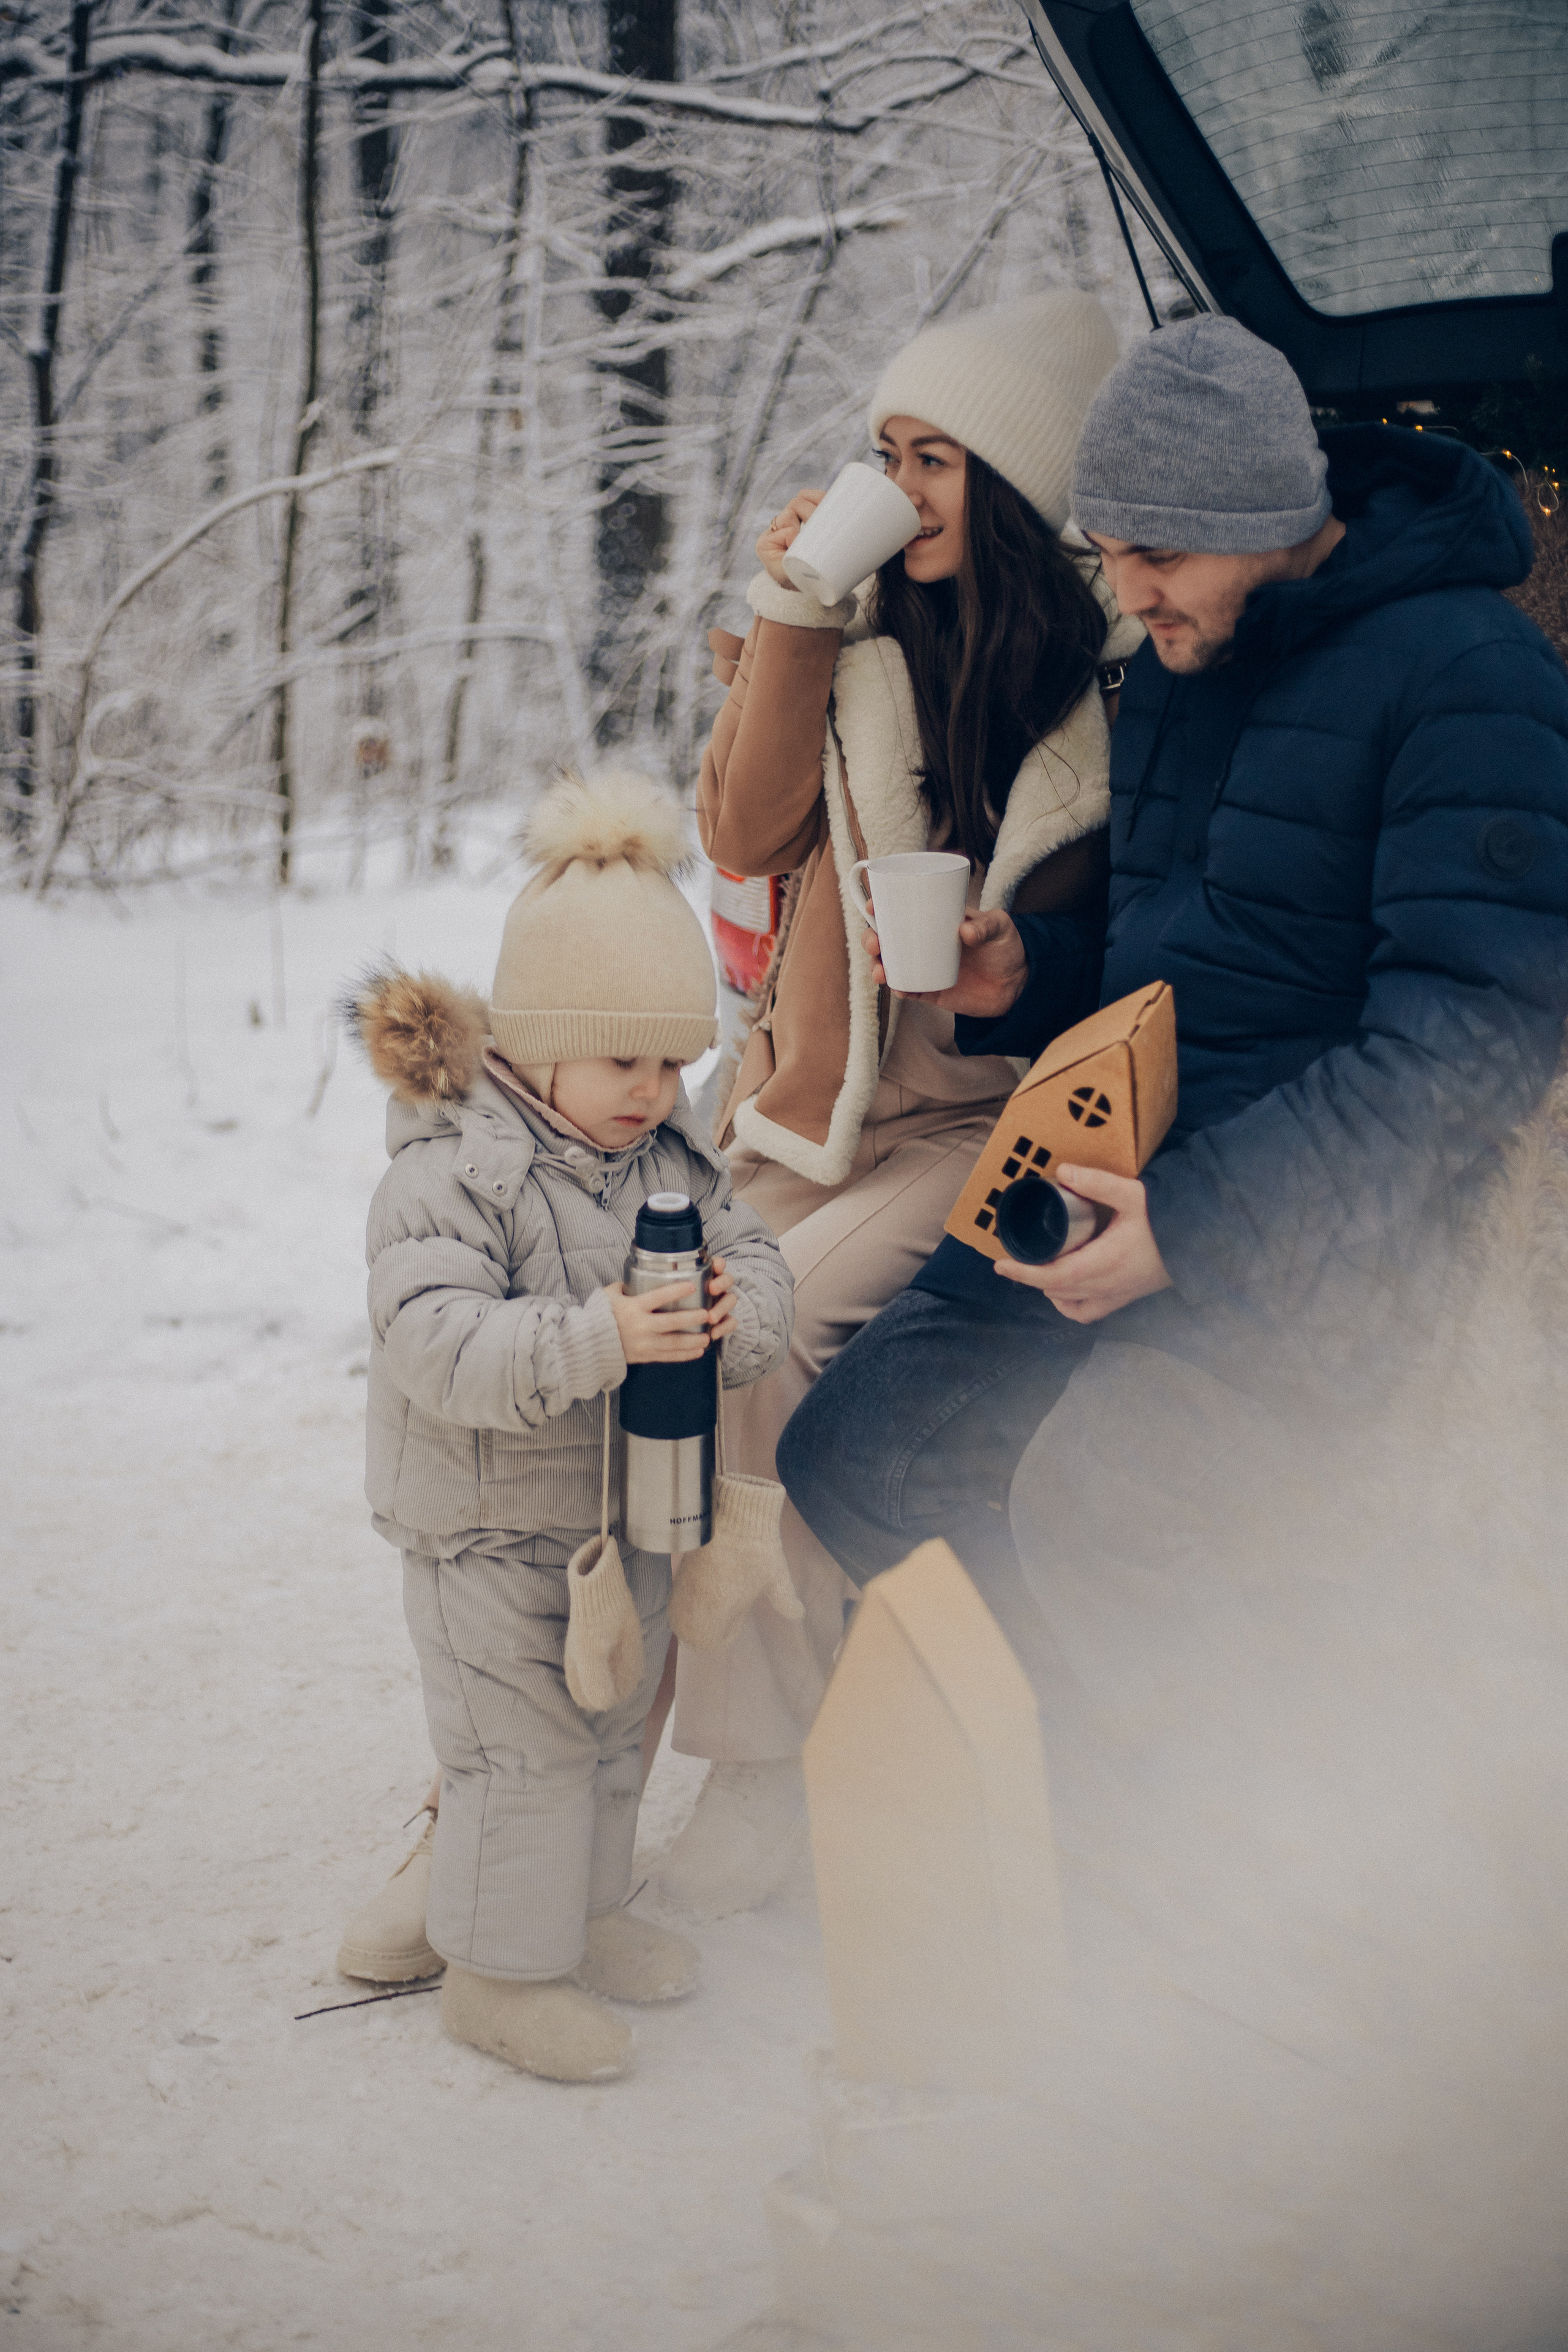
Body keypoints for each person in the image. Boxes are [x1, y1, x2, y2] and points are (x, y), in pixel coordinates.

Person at [777, 315, 1568, 1602]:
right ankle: (1099, 1749)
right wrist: (1025, 970)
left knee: (1093, 1504)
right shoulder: (1179, 665)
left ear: (1268, 516)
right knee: (853, 1452)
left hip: (1297, 1243)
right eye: (1108, 555)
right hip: (1103, 1178)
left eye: (1156, 554)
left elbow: (1472, 1034)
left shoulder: (1468, 675)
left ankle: (1165, 1785)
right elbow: (1178, 950)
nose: (1129, 595)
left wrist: (1191, 1231)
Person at [656, 288, 1144, 1913]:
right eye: (887, 454)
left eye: (938, 460)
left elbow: (1140, 938)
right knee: (669, 1346)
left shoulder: (1118, 684)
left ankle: (762, 1769)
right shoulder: (848, 639)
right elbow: (737, 830)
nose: (903, 489)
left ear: (1014, 484)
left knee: (771, 1340)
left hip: (988, 1127)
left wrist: (1030, 959)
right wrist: (792, 607)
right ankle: (524, 1776)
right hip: (815, 1117)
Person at [335, 772, 793, 2083]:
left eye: (673, 1062)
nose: (652, 1090)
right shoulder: (452, 1169)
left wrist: (731, 1307)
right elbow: (432, 1342)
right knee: (518, 1754)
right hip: (485, 1533)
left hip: (617, 1519)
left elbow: (753, 1252)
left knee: (604, 1731)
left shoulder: (664, 1156)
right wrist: (598, 1337)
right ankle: (494, 1976)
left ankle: (581, 1922)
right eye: (623, 1061)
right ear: (535, 1041)